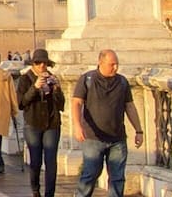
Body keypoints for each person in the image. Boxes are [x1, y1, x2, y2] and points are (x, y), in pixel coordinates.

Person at [70, 49, 141, 197]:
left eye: (117, 64)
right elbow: (76, 103)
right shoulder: (87, 79)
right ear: (100, 63)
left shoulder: (122, 82)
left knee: (117, 178)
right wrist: (77, 125)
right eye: (112, 64)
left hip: (117, 138)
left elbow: (130, 106)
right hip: (93, 137)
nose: (115, 68)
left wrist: (138, 130)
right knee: (90, 173)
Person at [18, 49, 65, 197]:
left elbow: (61, 105)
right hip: (33, 124)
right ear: (33, 64)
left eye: (44, 63)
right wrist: (35, 87)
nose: (42, 66)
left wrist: (56, 89)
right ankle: (35, 189)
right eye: (38, 63)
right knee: (36, 161)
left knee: (51, 161)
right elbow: (22, 102)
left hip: (52, 124)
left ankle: (50, 193)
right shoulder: (25, 79)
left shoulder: (52, 78)